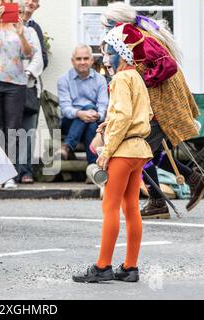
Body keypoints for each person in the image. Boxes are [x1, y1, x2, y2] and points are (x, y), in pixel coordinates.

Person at [101, 2, 204, 218]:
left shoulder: (129, 33)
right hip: (156, 98)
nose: (105, 31)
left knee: (139, 149)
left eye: (106, 26)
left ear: (115, 23)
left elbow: (167, 65)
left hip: (160, 99)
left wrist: (141, 82)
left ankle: (158, 200)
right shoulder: (132, 31)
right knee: (150, 150)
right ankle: (191, 181)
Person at [72, 24, 153, 283]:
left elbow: (123, 115)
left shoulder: (119, 79)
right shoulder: (136, 76)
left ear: (120, 53)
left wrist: (107, 150)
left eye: (108, 52)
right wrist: (111, 123)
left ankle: (103, 266)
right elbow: (144, 114)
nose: (104, 58)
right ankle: (130, 267)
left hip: (123, 150)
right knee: (131, 208)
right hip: (139, 148)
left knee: (110, 207)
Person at [0, 0, 35, 189]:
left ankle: (9, 174)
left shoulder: (23, 29)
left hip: (16, 84)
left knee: (12, 129)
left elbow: (28, 54)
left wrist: (21, 35)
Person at [57, 45, 109, 167]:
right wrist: (80, 113)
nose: (82, 62)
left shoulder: (100, 80)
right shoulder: (64, 79)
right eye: (78, 59)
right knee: (87, 110)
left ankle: (67, 146)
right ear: (72, 61)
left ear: (92, 60)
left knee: (91, 123)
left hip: (94, 122)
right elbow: (65, 108)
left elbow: (103, 106)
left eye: (86, 58)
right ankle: (94, 168)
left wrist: (97, 114)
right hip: (69, 123)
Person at [17, 0, 45, 184]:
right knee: (8, 130)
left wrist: (27, 73)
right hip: (7, 87)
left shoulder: (34, 29)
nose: (30, 3)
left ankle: (25, 171)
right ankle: (9, 172)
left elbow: (41, 58)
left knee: (28, 132)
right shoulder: (1, 28)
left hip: (28, 88)